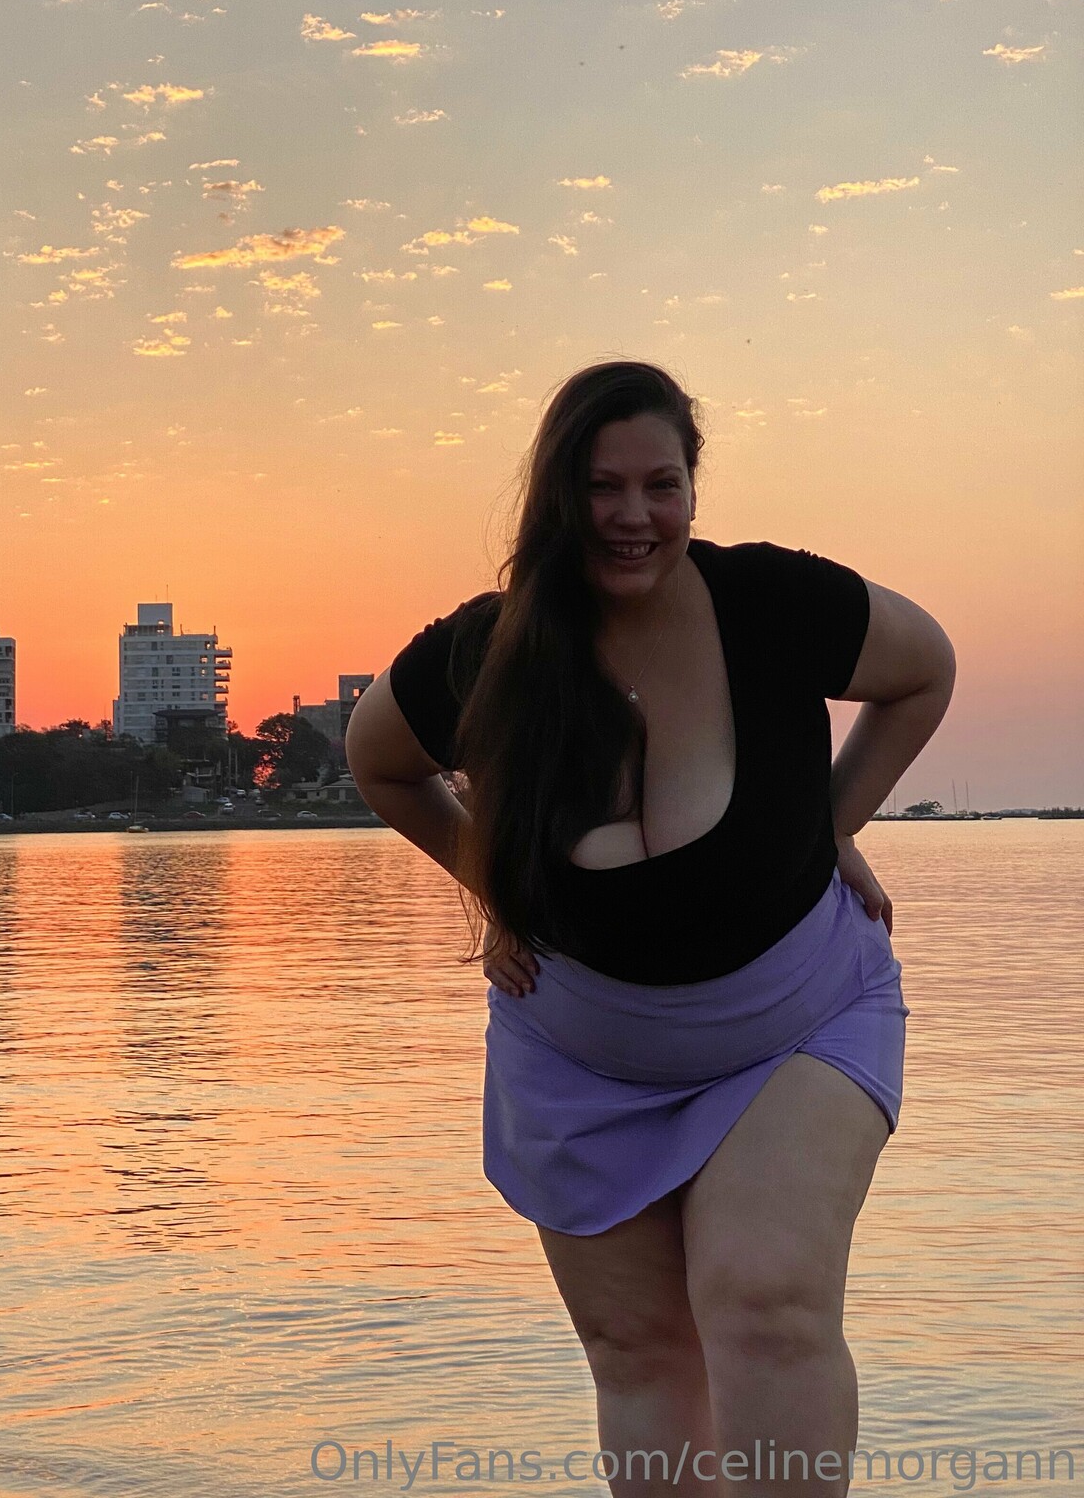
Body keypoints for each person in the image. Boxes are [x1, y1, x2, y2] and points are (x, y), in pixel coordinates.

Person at [345, 360, 956, 1498]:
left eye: (660, 485)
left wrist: (830, 825)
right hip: (579, 1058)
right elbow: (378, 761)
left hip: (798, 1025)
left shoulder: (774, 601)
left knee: (766, 1299)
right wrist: (496, 888)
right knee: (638, 1352)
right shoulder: (487, 652)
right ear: (556, 496)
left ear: (692, 486)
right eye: (602, 487)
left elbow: (924, 670)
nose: (635, 516)